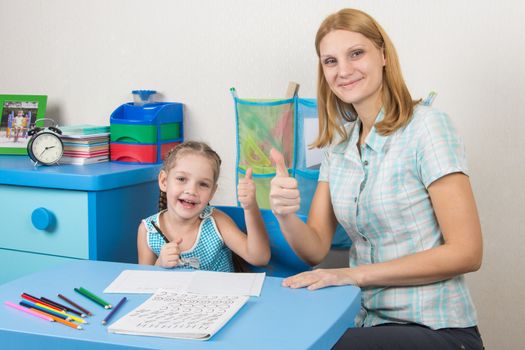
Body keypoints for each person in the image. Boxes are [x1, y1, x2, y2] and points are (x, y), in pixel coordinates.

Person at [269, 8, 484, 350]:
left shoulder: (427, 127)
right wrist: (284, 214)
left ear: (383, 55)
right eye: (330, 61)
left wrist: (351, 275)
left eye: (356, 54)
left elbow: (467, 252)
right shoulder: (338, 149)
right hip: (366, 321)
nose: (344, 71)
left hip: (436, 329)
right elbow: (314, 248)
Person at [138, 140, 270, 272]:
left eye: (203, 184)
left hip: (220, 292)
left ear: (212, 191)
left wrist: (250, 207)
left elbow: (260, 258)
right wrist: (159, 264)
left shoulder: (216, 221)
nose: (191, 190)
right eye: (182, 179)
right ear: (164, 181)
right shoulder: (148, 230)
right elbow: (143, 283)